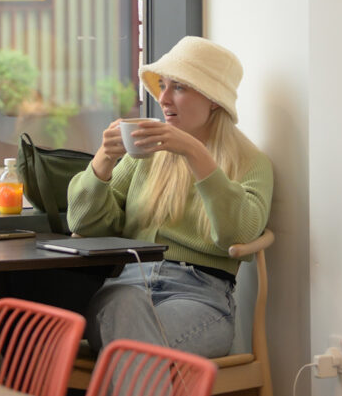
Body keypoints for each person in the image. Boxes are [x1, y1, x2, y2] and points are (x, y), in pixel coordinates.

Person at [67, 36, 273, 358]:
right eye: (162, 85)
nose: (163, 99)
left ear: (214, 99)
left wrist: (195, 152)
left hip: (201, 299)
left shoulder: (250, 163)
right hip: (127, 288)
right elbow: (82, 223)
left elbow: (238, 233)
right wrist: (103, 160)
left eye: (179, 87)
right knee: (125, 307)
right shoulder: (145, 156)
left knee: (131, 345)